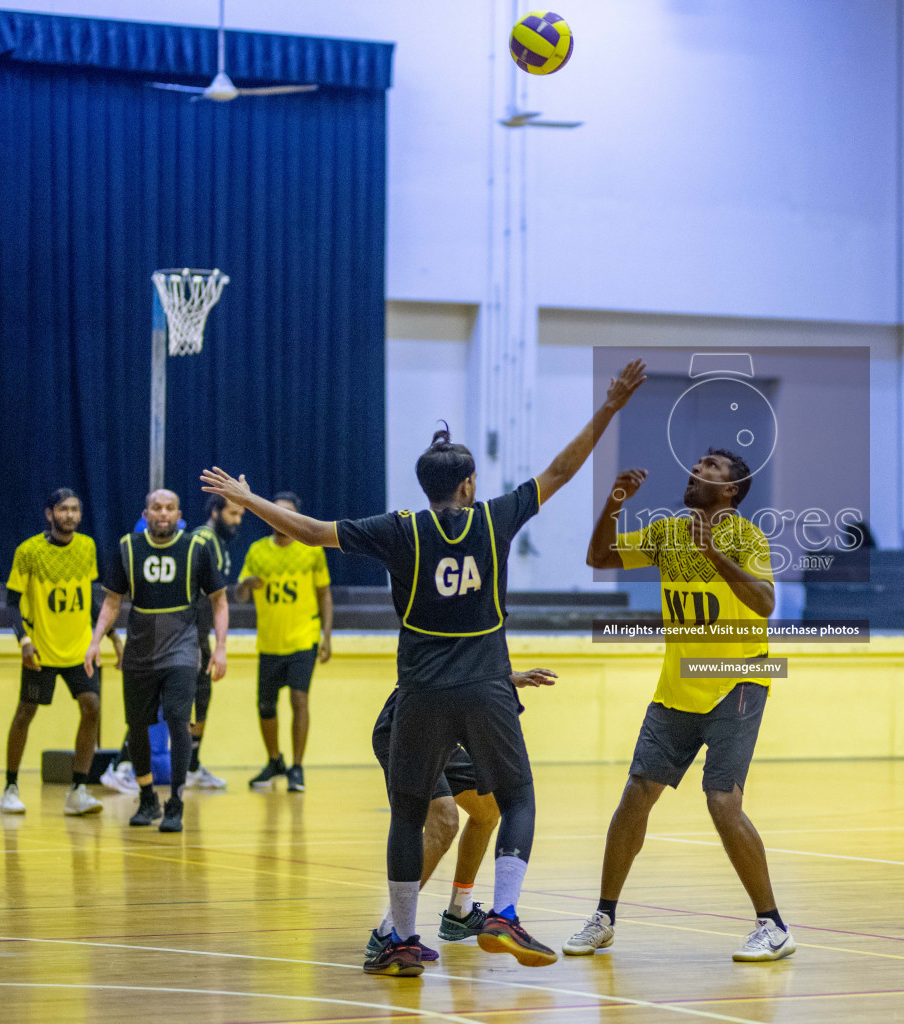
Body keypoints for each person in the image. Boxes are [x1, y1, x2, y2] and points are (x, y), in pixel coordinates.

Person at [201, 357, 645, 978]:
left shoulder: (398, 530)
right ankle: (503, 912)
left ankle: (403, 937)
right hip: (487, 689)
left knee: (409, 813)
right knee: (516, 798)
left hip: (421, 694)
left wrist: (247, 498)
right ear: (467, 484)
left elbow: (304, 531)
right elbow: (562, 470)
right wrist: (610, 407)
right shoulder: (496, 517)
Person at [563, 450, 790, 963]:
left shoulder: (749, 538)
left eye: (711, 466)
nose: (697, 469)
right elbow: (599, 558)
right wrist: (615, 502)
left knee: (721, 802)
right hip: (678, 687)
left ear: (732, 489)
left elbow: (765, 602)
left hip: (739, 682)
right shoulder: (667, 533)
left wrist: (713, 554)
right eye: (697, 463)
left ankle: (773, 925)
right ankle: (604, 917)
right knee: (636, 795)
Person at [363, 667, 557, 966]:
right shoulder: (427, 634)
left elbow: (472, 652)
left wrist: (504, 676)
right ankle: (389, 932)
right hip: (407, 724)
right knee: (444, 822)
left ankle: (460, 911)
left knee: (487, 809)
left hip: (443, 730)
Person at [86, 489, 228, 833]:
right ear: (146, 513)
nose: (163, 513)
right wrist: (95, 640)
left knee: (179, 722)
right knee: (137, 725)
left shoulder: (196, 548)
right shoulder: (128, 548)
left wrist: (220, 647)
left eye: (169, 508)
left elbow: (219, 601)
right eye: (156, 508)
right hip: (139, 650)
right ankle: (147, 797)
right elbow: (112, 602)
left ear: (179, 514)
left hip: (182, 648)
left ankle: (176, 802)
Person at [1, 488, 121, 816]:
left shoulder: (87, 547)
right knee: (26, 712)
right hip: (42, 650)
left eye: (74, 509)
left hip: (80, 649)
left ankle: (78, 790)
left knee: (91, 707)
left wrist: (112, 636)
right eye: (63, 509)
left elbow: (90, 600)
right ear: (49, 514)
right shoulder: (28, 551)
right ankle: (10, 787)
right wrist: (23, 641)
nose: (69, 515)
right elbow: (12, 603)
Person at [235, 491, 333, 793]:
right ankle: (274, 760)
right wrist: (247, 585)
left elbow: (324, 595)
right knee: (266, 705)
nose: (281, 519)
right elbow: (240, 595)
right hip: (269, 642)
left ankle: (297, 767)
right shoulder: (256, 551)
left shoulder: (312, 549)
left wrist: (327, 635)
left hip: (304, 637)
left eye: (288, 514)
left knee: (299, 699)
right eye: (275, 513)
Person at [187, 493, 245, 790]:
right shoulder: (201, 540)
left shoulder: (219, 544)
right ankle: (125, 763)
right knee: (169, 701)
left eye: (240, 516)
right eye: (232, 514)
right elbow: (189, 594)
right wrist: (193, 641)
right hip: (188, 632)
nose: (237, 522)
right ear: (215, 510)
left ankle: (192, 766)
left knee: (201, 697)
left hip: (201, 632)